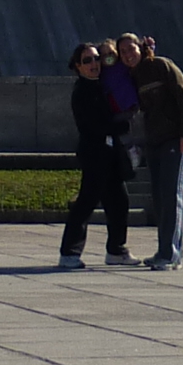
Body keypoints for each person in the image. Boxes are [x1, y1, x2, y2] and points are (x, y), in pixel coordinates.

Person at [122, 32, 183, 272]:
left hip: (175, 139)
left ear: (140, 47)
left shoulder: (161, 66)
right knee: (160, 198)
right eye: (122, 52)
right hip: (153, 142)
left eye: (131, 49)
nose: (128, 55)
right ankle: (165, 250)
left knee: (172, 195)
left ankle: (171, 254)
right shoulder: (131, 77)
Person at [58, 44, 135, 271]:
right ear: (78, 66)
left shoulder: (101, 86)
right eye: (88, 60)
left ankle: (116, 250)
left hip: (108, 152)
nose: (94, 64)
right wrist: (119, 125)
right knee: (86, 202)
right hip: (94, 154)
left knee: (119, 202)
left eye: (96, 59)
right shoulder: (82, 90)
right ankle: (69, 253)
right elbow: (92, 125)